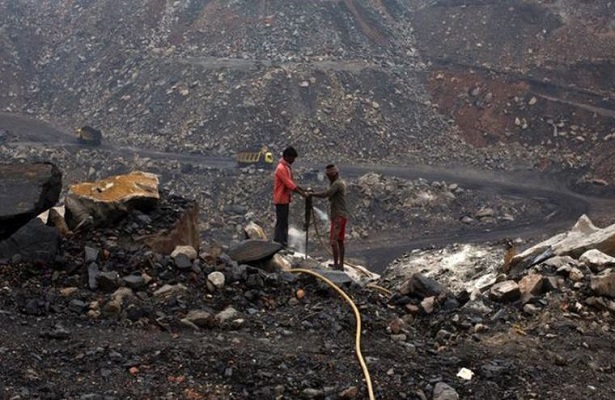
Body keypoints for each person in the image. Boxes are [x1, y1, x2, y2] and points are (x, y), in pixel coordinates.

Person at [308, 164, 348, 270]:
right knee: (339, 241)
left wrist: (312, 194)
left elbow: (326, 194)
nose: (328, 177)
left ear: (333, 174)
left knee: (334, 241)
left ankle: (337, 265)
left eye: (329, 175)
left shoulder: (337, 184)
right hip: (340, 215)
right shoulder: (335, 183)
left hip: (338, 215)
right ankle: (340, 264)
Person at [273, 146, 307, 248]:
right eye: (292, 158)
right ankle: (278, 243)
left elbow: (291, 183)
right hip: (281, 199)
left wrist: (302, 190)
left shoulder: (286, 167)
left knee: (284, 222)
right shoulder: (281, 168)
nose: (293, 161)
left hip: (285, 199)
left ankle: (283, 242)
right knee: (281, 222)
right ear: (287, 156)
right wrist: (302, 193)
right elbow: (289, 184)